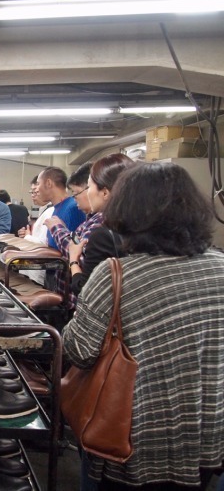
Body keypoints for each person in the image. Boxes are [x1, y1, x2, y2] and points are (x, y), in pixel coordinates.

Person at [63, 161, 224, 490]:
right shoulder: (220, 266)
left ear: (126, 210)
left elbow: (79, 350)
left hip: (135, 440)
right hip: (210, 434)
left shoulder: (116, 274)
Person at [67, 153, 135, 296]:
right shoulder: (144, 227)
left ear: (105, 193)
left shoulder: (103, 234)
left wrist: (73, 260)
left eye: (89, 187)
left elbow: (85, 292)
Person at [43, 163, 103, 307]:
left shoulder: (101, 222)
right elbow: (77, 242)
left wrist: (57, 228)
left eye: (76, 193)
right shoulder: (91, 219)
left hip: (81, 299)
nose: (75, 198)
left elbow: (77, 252)